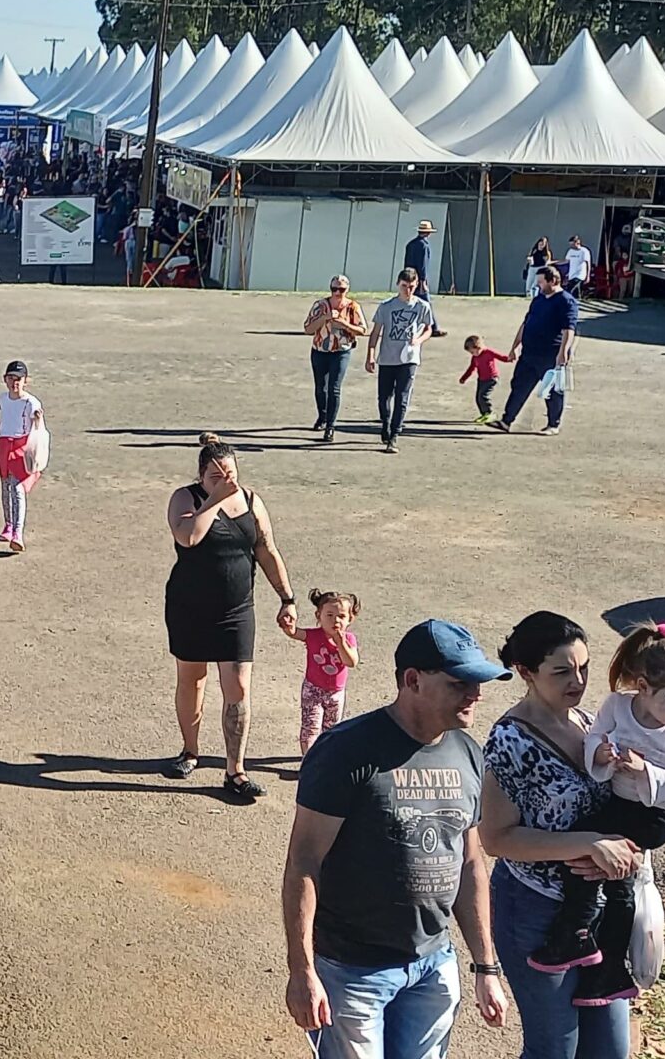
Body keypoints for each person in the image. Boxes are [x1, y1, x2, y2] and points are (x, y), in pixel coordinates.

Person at [282, 619, 512, 1058]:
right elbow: (304, 863)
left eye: (479, 682)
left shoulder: (466, 752)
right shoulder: (346, 751)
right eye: (461, 683)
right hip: (352, 970)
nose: (476, 694)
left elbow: (469, 862)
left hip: (433, 964)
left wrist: (486, 966)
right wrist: (302, 970)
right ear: (413, 681)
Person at [482, 611, 646, 1058]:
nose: (578, 680)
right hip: (534, 911)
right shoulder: (508, 741)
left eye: (584, 667)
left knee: (610, 1050)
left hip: (598, 913)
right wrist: (587, 844)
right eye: (562, 671)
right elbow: (495, 838)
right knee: (555, 1048)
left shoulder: (591, 723)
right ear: (526, 673)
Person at [528, 622, 665, 1005]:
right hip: (617, 803)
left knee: (594, 854)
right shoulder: (616, 706)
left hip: (652, 816)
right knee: (609, 874)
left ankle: (578, 933)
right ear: (643, 687)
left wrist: (647, 771)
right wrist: (600, 753)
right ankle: (608, 966)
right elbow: (596, 736)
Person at [162, 434, 296, 802]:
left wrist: (287, 598)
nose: (224, 482)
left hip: (236, 611)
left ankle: (235, 770)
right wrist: (214, 500)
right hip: (190, 608)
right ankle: (190, 752)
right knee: (193, 681)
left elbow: (267, 551)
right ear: (200, 477)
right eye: (214, 478)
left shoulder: (251, 501)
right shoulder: (184, 499)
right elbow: (188, 537)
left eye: (230, 475)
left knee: (237, 688)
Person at [496, 268, 577, 435]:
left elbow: (569, 329)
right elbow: (525, 324)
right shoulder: (538, 299)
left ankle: (553, 424)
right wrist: (514, 347)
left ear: (553, 280)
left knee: (553, 391)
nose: (538, 285)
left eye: (541, 282)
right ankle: (506, 421)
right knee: (519, 386)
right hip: (529, 353)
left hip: (550, 355)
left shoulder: (565, 301)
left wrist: (563, 353)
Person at [366, 268, 437, 453]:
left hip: (409, 358)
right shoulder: (386, 306)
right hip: (388, 358)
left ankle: (395, 435)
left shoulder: (422, 306)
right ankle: (385, 424)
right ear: (398, 284)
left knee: (402, 397)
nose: (408, 290)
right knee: (384, 398)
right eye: (404, 286)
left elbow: (429, 329)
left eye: (412, 287)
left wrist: (418, 340)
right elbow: (375, 333)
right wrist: (370, 355)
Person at [280, 589, 359, 755]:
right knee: (310, 727)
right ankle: (309, 762)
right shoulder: (313, 635)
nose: (335, 620)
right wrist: (288, 627)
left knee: (331, 730)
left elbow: (351, 661)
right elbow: (296, 633)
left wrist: (340, 642)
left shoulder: (349, 639)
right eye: (329, 615)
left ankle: (324, 760)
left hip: (336, 693)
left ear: (350, 619)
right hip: (313, 689)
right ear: (319, 616)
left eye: (341, 616)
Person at [0, 359, 44, 553]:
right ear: (5, 380)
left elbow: (38, 428)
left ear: (26, 381)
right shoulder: (4, 399)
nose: (15, 382)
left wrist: (38, 420)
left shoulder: (31, 403)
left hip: (21, 448)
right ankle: (8, 525)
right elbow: (5, 422)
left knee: (17, 488)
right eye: (11, 378)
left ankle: (17, 533)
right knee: (6, 486)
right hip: (4, 447)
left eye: (19, 378)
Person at [304, 277, 368, 443]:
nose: (338, 293)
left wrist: (345, 324)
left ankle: (330, 427)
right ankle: (322, 416)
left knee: (334, 388)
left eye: (341, 290)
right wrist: (324, 318)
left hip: (341, 351)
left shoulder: (353, 307)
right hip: (320, 351)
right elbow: (308, 329)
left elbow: (363, 330)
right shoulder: (320, 305)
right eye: (334, 289)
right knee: (320, 388)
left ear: (348, 290)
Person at [458, 336, 510, 425]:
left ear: (478, 348)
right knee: (478, 397)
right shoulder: (475, 358)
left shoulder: (488, 352)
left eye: (472, 352)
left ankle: (490, 413)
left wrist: (508, 359)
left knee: (483, 396)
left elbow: (500, 357)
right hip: (481, 379)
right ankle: (485, 414)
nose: (472, 354)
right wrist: (464, 378)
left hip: (491, 378)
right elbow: (471, 368)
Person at [403, 222, 436, 296]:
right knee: (425, 303)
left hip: (409, 277)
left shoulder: (410, 244)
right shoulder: (424, 246)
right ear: (428, 233)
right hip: (419, 280)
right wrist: (423, 281)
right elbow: (423, 264)